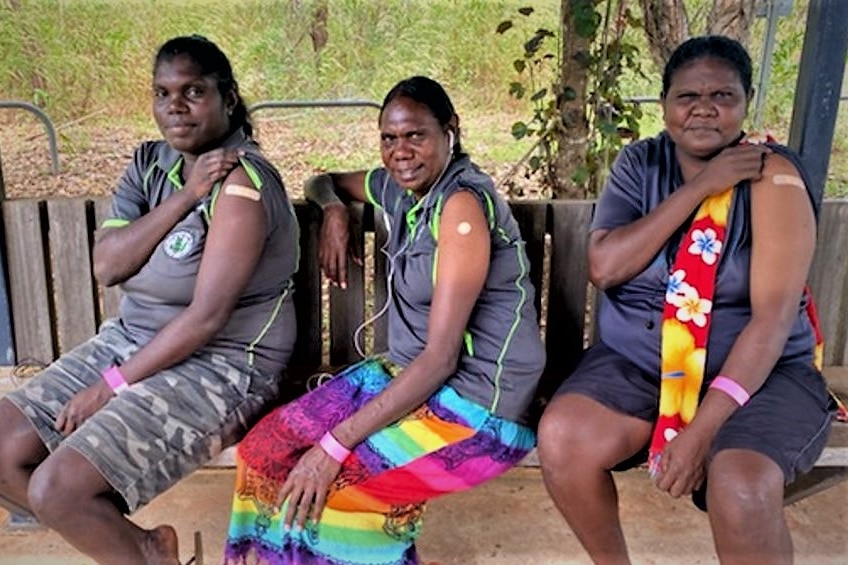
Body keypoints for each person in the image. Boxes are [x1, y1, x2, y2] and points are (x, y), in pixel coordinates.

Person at [0, 35, 298, 565]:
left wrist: (109, 387)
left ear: (227, 98)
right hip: (130, 340)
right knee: (1, 449)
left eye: (193, 91)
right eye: (162, 93)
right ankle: (144, 550)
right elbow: (108, 265)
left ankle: (141, 554)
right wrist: (186, 196)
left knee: (57, 490)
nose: (175, 107)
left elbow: (206, 319)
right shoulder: (151, 165)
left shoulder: (242, 183)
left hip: (221, 366)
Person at [537, 35, 835, 564]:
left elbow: (769, 324)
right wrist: (701, 188)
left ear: (745, 104)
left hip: (757, 376)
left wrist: (700, 434)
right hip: (640, 364)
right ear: (665, 105)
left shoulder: (774, 177)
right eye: (686, 96)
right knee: (563, 437)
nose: (703, 108)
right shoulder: (642, 166)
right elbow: (605, 267)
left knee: (740, 486)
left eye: (722, 95)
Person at [224, 75, 545, 564]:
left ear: (450, 130)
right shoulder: (397, 188)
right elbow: (323, 180)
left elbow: (440, 360)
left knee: (344, 496)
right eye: (389, 138)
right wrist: (333, 209)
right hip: (405, 379)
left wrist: (334, 445)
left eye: (416, 135)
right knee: (262, 455)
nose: (401, 151)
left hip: (477, 408)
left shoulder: (460, 207)